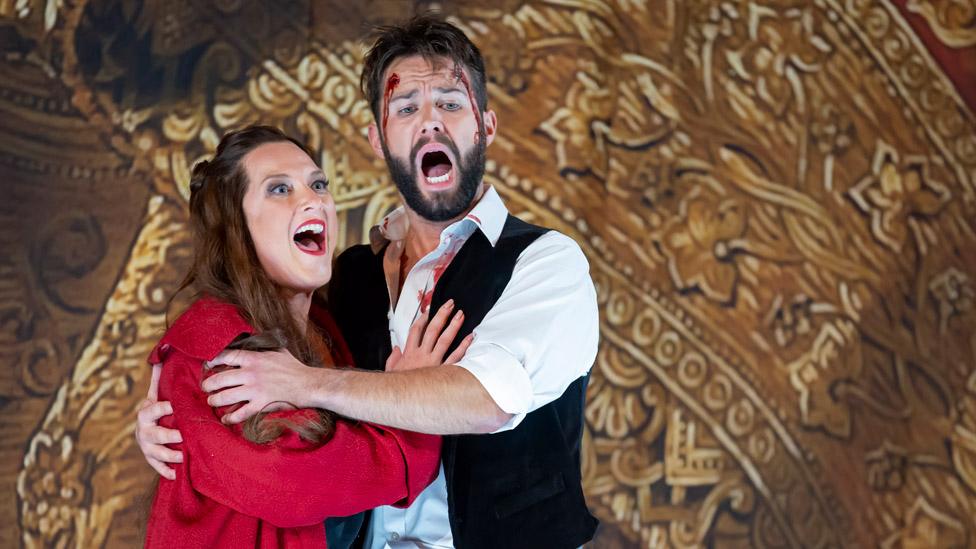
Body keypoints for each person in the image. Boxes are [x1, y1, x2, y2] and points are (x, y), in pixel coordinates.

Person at [137, 15, 600, 549]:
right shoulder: (350, 276)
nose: (431, 124)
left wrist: (304, 383)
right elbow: (267, 411)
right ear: (378, 140)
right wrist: (171, 422)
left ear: (485, 127)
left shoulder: (546, 263)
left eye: (450, 103)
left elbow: (489, 399)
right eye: (406, 109)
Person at [141, 125, 470, 548]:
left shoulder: (325, 326)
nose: (313, 199)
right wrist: (416, 409)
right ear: (235, 225)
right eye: (279, 189)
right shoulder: (208, 343)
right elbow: (292, 481)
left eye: (318, 184)